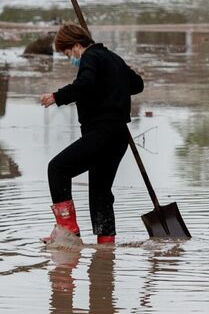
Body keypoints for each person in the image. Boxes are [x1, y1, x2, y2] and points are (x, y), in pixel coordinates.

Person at [38, 23, 144, 245]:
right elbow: (136, 84)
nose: (70, 59)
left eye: (68, 54)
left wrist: (57, 96)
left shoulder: (90, 58)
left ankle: (68, 231)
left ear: (77, 45)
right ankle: (106, 244)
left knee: (57, 169)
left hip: (101, 133)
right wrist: (115, 76)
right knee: (100, 192)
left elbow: (85, 84)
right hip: (118, 137)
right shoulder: (112, 58)